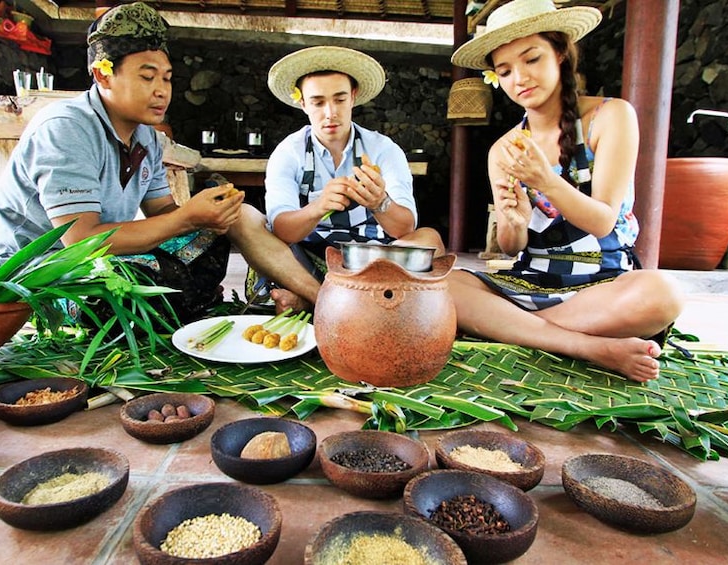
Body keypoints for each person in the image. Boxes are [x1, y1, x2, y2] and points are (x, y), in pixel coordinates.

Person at [0, 2, 319, 321]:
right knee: (128, 286)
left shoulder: (147, 137)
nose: (162, 90)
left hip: (101, 260)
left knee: (235, 220)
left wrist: (210, 215)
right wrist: (187, 217)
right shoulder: (66, 128)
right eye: (147, 77)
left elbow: (162, 213)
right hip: (42, 279)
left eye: (167, 78)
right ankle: (181, 302)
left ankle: (323, 299)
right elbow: (82, 241)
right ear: (103, 75)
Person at [447, 0, 683, 382]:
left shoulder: (611, 117)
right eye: (505, 71)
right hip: (531, 281)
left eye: (532, 60)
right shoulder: (503, 149)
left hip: (603, 286)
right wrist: (514, 220)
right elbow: (511, 248)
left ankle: (513, 331)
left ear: (560, 54)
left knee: (663, 292)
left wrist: (546, 180)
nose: (519, 78)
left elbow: (604, 221)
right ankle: (588, 346)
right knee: (444, 283)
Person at [262, 46, 445, 312]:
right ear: (302, 103)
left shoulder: (384, 149)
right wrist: (320, 206)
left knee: (429, 238)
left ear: (353, 97)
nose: (330, 113)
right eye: (318, 102)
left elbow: (406, 228)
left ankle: (316, 302)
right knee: (249, 222)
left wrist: (380, 202)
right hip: (309, 257)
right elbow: (281, 229)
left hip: (373, 261)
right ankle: (343, 301)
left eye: (339, 99)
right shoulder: (289, 151)